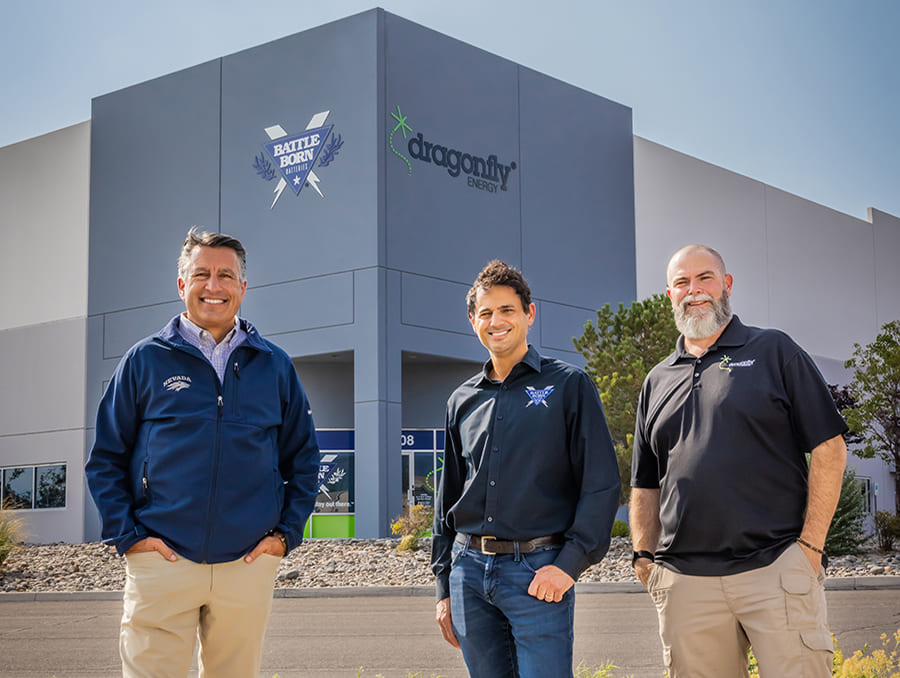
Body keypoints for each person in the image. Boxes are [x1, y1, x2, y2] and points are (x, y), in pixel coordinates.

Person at [86, 228, 320, 678]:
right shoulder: (144, 361)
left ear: (243, 288)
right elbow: (106, 458)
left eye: (226, 276)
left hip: (246, 564)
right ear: (181, 285)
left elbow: (304, 459)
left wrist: (285, 535)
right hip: (162, 560)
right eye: (202, 275)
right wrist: (129, 536)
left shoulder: (274, 365)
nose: (214, 286)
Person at [630, 244, 848, 678]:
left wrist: (809, 548)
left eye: (705, 278)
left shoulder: (773, 350)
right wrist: (643, 557)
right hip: (686, 583)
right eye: (682, 283)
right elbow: (645, 483)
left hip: (775, 569)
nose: (694, 291)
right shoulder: (657, 380)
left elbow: (830, 446)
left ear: (726, 285)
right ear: (670, 295)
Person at [431, 260, 620, 678]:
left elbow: (601, 483)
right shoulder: (461, 400)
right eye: (485, 313)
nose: (496, 321)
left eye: (507, 310)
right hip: (469, 574)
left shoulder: (569, 385)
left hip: (538, 572)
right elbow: (449, 496)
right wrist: (445, 586)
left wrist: (569, 563)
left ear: (529, 314)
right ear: (472, 321)